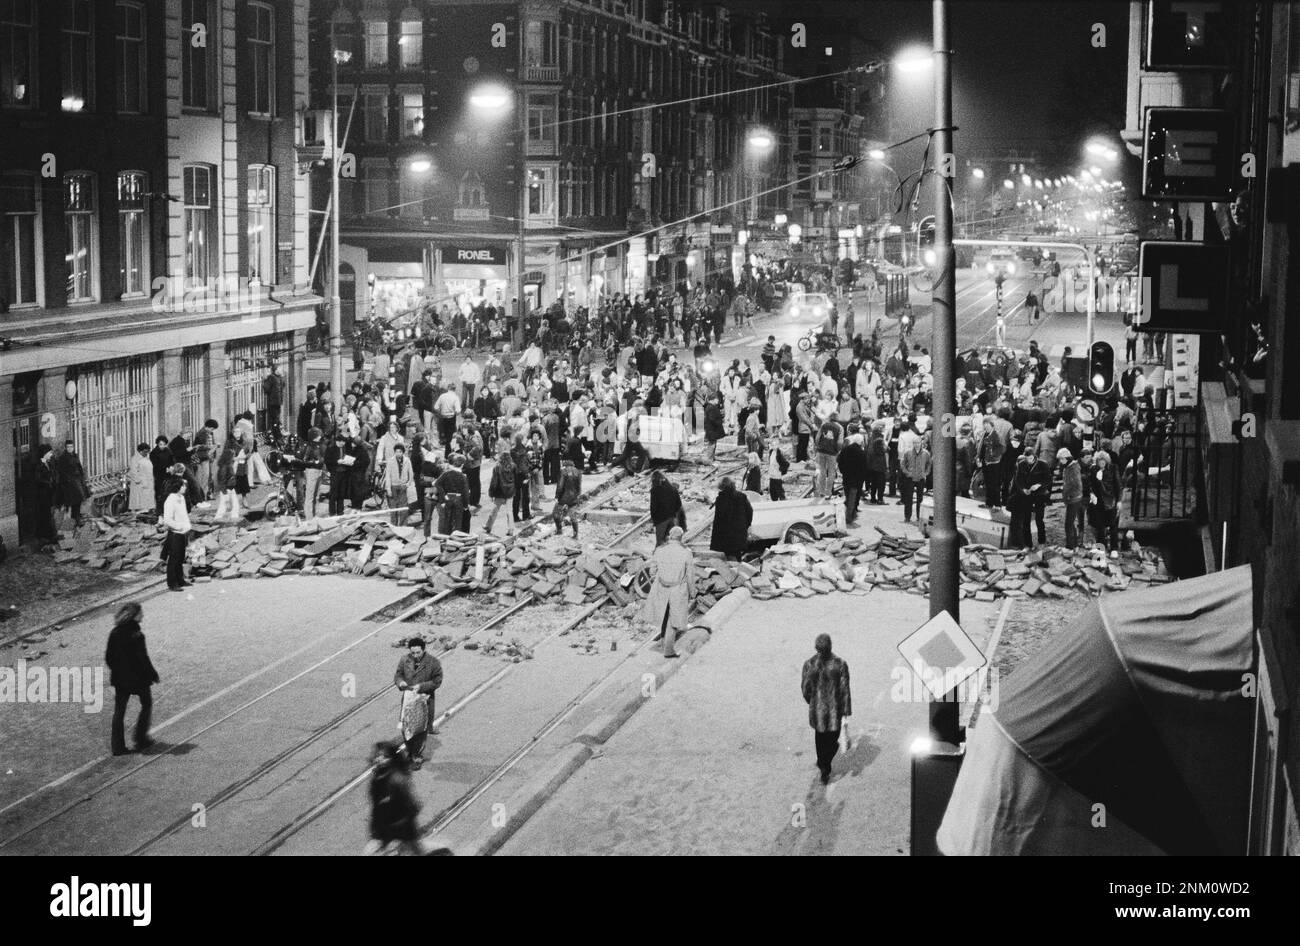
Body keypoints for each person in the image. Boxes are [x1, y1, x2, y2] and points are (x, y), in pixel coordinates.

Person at [105, 602, 159, 756]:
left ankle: (118, 747)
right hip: (138, 679)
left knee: (119, 711)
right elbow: (143, 658)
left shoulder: (114, 632)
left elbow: (109, 657)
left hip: (120, 680)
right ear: (135, 616)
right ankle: (140, 738)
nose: (143, 615)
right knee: (146, 704)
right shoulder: (137, 635)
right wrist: (152, 673)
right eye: (141, 613)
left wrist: (118, 671)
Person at [801, 633, 852, 785]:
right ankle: (825, 765)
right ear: (831, 646)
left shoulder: (809, 664)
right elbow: (845, 689)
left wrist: (811, 701)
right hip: (834, 710)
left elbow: (805, 688)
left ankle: (823, 764)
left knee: (820, 738)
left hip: (817, 710)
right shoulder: (840, 664)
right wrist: (846, 710)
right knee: (832, 738)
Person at [641, 524, 695, 659]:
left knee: (663, 614)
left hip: (662, 587)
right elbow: (690, 575)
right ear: (681, 537)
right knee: (673, 618)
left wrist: (659, 578)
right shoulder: (686, 552)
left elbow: (652, 570)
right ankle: (669, 649)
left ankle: (664, 642)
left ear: (670, 536)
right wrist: (692, 593)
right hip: (678, 589)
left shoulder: (659, 550)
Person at [393, 636, 443, 769]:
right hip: (408, 699)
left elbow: (437, 681)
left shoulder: (433, 662)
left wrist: (421, 686)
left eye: (418, 653)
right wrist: (401, 682)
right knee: (406, 727)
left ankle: (416, 755)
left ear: (423, 650)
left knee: (421, 729)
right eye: (413, 653)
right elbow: (398, 675)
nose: (415, 655)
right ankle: (411, 752)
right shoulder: (405, 660)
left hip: (424, 700)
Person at [366, 741, 422, 855]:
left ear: (392, 759)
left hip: (403, 831)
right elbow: (376, 805)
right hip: (383, 831)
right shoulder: (376, 779)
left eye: (385, 757)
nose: (379, 759)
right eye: (377, 756)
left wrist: (398, 827)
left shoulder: (397, 780)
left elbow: (414, 806)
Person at [709, 477, 752, 561]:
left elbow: (719, 518)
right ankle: (738, 567)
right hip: (739, 531)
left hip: (726, 534)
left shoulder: (721, 499)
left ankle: (733, 569)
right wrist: (747, 525)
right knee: (737, 552)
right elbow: (749, 511)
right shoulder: (742, 496)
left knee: (729, 553)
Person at [160, 477, 191, 591]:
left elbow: (184, 514)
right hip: (175, 533)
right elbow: (167, 519)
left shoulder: (181, 498)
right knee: (173, 559)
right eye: (182, 485)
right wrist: (179, 527)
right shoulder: (170, 500)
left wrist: (186, 526)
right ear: (176, 487)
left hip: (183, 532)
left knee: (181, 557)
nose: (185, 487)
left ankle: (180, 579)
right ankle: (172, 583)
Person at [898, 431, 932, 524]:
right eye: (915, 443)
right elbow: (902, 464)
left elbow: (929, 464)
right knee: (908, 499)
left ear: (921, 443)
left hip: (920, 478)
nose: (917, 445)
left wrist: (926, 473)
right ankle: (907, 517)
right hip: (910, 478)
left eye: (918, 443)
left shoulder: (926, 453)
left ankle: (918, 516)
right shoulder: (908, 452)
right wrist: (907, 473)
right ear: (913, 444)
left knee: (919, 499)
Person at [484, 441, 517, 537]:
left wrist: (491, 493)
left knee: (494, 510)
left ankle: (488, 526)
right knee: (509, 511)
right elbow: (516, 479)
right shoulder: (513, 466)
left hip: (499, 493)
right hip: (510, 492)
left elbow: (494, 482)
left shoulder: (497, 467)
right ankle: (510, 529)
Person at [54, 440, 89, 527]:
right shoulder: (63, 458)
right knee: (76, 500)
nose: (70, 449)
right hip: (70, 483)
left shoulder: (75, 455)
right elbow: (62, 471)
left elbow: (79, 466)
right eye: (68, 447)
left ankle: (76, 516)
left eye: (71, 447)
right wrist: (69, 479)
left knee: (79, 499)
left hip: (78, 480)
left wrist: (82, 477)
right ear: (66, 448)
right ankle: (76, 518)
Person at [433, 454, 469, 535]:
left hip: (448, 498)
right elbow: (465, 492)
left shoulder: (446, 473)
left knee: (447, 521)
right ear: (462, 465)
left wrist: (444, 495)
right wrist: (466, 505)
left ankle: (446, 540)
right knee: (457, 522)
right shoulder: (463, 477)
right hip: (458, 500)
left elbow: (437, 483)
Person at [837, 433, 868, 525]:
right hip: (856, 480)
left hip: (846, 477)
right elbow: (864, 467)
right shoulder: (861, 452)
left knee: (847, 497)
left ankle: (851, 514)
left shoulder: (845, 449)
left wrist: (843, 472)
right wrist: (862, 479)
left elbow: (840, 462)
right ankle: (849, 517)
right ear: (861, 442)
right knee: (852, 499)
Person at [649, 469, 685, 546]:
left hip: (660, 520)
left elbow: (653, 507)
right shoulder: (672, 488)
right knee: (671, 542)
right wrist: (673, 515)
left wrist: (654, 521)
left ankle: (657, 557)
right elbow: (678, 504)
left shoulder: (654, 490)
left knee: (660, 543)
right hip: (672, 518)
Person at [383, 443, 416, 526]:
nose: (398, 453)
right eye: (396, 452)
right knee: (393, 508)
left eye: (400, 452)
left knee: (403, 508)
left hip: (403, 486)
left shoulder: (407, 461)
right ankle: (393, 526)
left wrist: (408, 484)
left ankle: (403, 526)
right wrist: (388, 489)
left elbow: (411, 473)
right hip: (393, 486)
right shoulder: (390, 461)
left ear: (403, 452)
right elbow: (388, 476)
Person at [552, 457, 582, 538]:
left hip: (564, 497)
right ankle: (575, 534)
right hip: (574, 497)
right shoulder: (578, 471)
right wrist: (578, 495)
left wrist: (557, 496)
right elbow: (579, 486)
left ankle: (559, 530)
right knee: (573, 516)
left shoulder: (563, 471)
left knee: (556, 514)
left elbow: (560, 486)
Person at [813, 418, 842, 498]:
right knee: (831, 472)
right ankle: (828, 492)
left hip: (821, 451)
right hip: (832, 453)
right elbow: (840, 442)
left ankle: (821, 491)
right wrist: (838, 451)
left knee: (822, 471)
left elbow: (817, 438)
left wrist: (817, 446)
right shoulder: (839, 427)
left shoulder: (824, 425)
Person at [128, 443, 154, 513]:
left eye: (148, 452)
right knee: (139, 502)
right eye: (145, 452)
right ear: (140, 451)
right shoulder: (135, 459)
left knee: (146, 502)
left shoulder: (145, 458)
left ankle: (145, 512)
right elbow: (133, 471)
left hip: (147, 482)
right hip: (139, 484)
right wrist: (139, 481)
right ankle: (138, 514)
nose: (147, 453)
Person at [262, 364, 285, 431]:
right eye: (280, 369)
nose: (281, 370)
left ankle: (277, 429)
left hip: (278, 401)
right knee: (274, 418)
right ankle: (275, 430)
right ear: (276, 370)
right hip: (273, 402)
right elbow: (266, 388)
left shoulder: (279, 377)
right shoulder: (271, 377)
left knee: (277, 417)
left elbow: (283, 385)